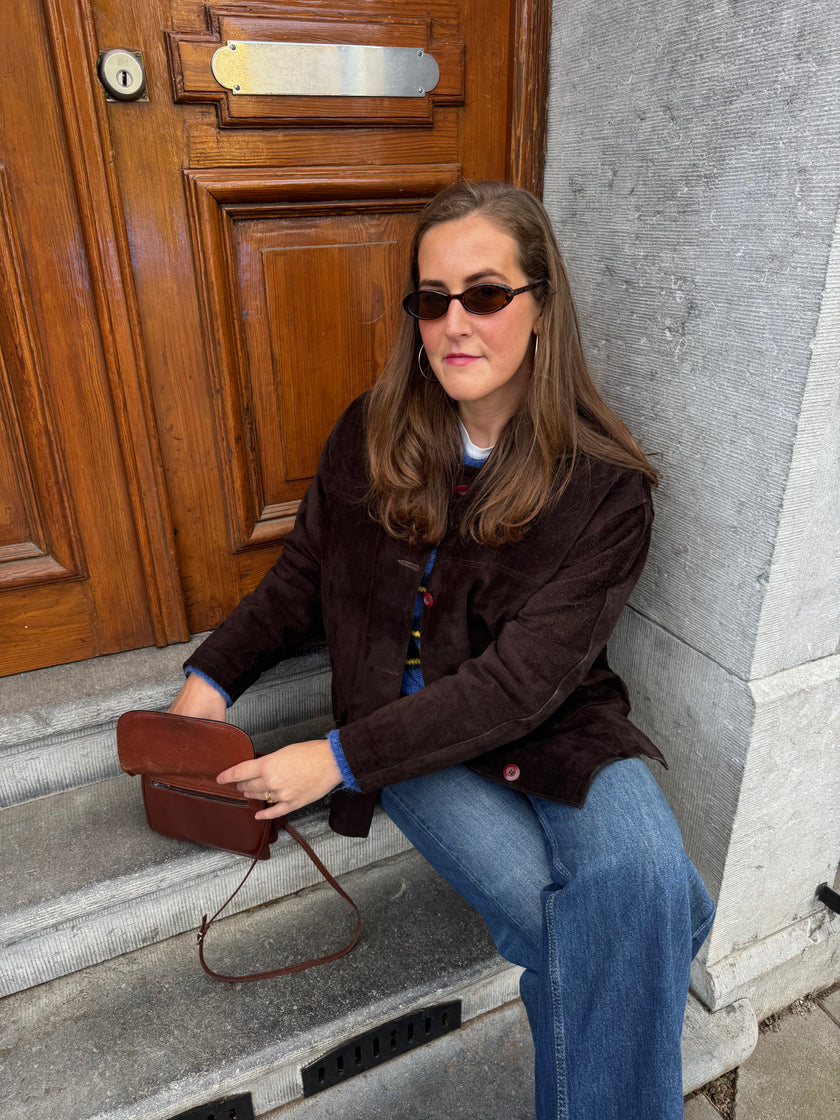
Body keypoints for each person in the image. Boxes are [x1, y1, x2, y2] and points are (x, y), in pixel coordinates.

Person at [170, 179, 715, 1120]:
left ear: (541, 309)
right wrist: (211, 680)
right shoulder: (370, 434)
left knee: (646, 888)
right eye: (433, 299)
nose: (455, 323)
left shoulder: (608, 492)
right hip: (402, 726)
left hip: (559, 726)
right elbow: (301, 582)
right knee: (620, 925)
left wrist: (336, 761)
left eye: (487, 294)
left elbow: (526, 682)